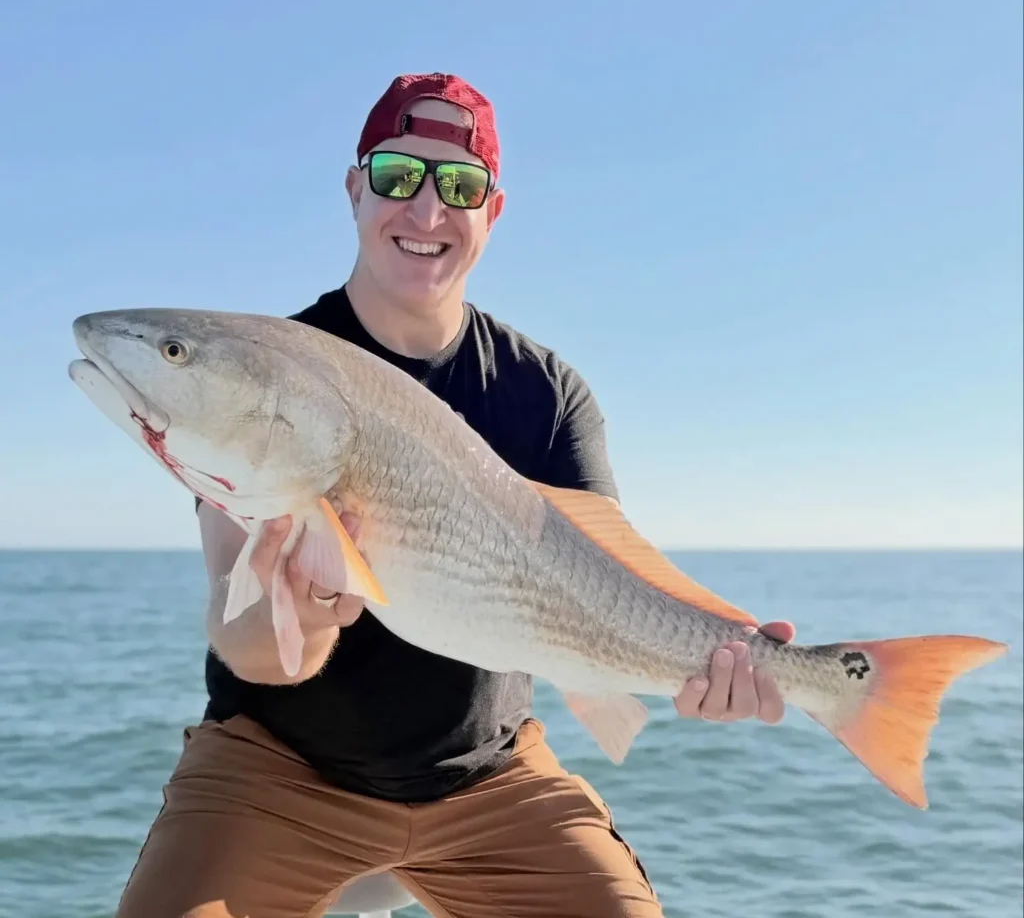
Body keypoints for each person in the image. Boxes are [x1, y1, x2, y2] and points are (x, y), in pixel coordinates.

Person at [115, 72, 796, 918]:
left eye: (459, 186)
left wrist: (730, 661)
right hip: (278, 769)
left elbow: (617, 579)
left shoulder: (548, 394)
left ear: (493, 212)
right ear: (355, 188)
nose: (426, 213)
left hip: (490, 780)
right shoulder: (277, 374)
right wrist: (310, 611)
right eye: (399, 176)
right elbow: (249, 645)